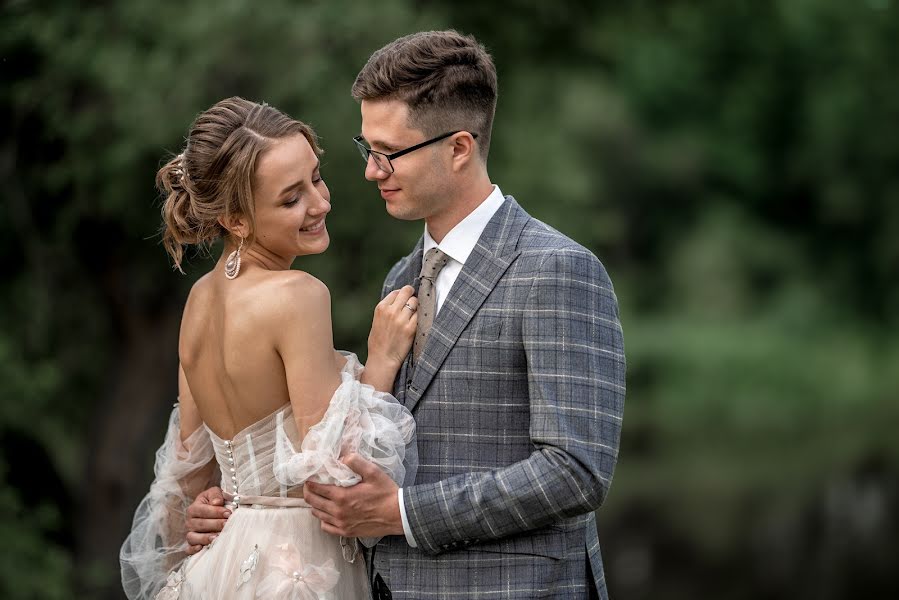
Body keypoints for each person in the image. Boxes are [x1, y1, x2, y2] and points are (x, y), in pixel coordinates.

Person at [188, 30, 626, 600]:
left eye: (388, 152)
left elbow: (575, 471)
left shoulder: (558, 269)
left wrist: (402, 512)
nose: (371, 171)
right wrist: (234, 504)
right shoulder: (400, 278)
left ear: (459, 148)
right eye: (365, 147)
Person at [119, 96, 419, 600]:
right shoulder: (298, 295)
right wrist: (382, 360)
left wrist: (204, 512)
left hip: (217, 563)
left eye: (316, 178)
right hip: (296, 564)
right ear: (236, 220)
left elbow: (186, 477)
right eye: (291, 198)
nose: (320, 203)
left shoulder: (198, 302)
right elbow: (337, 472)